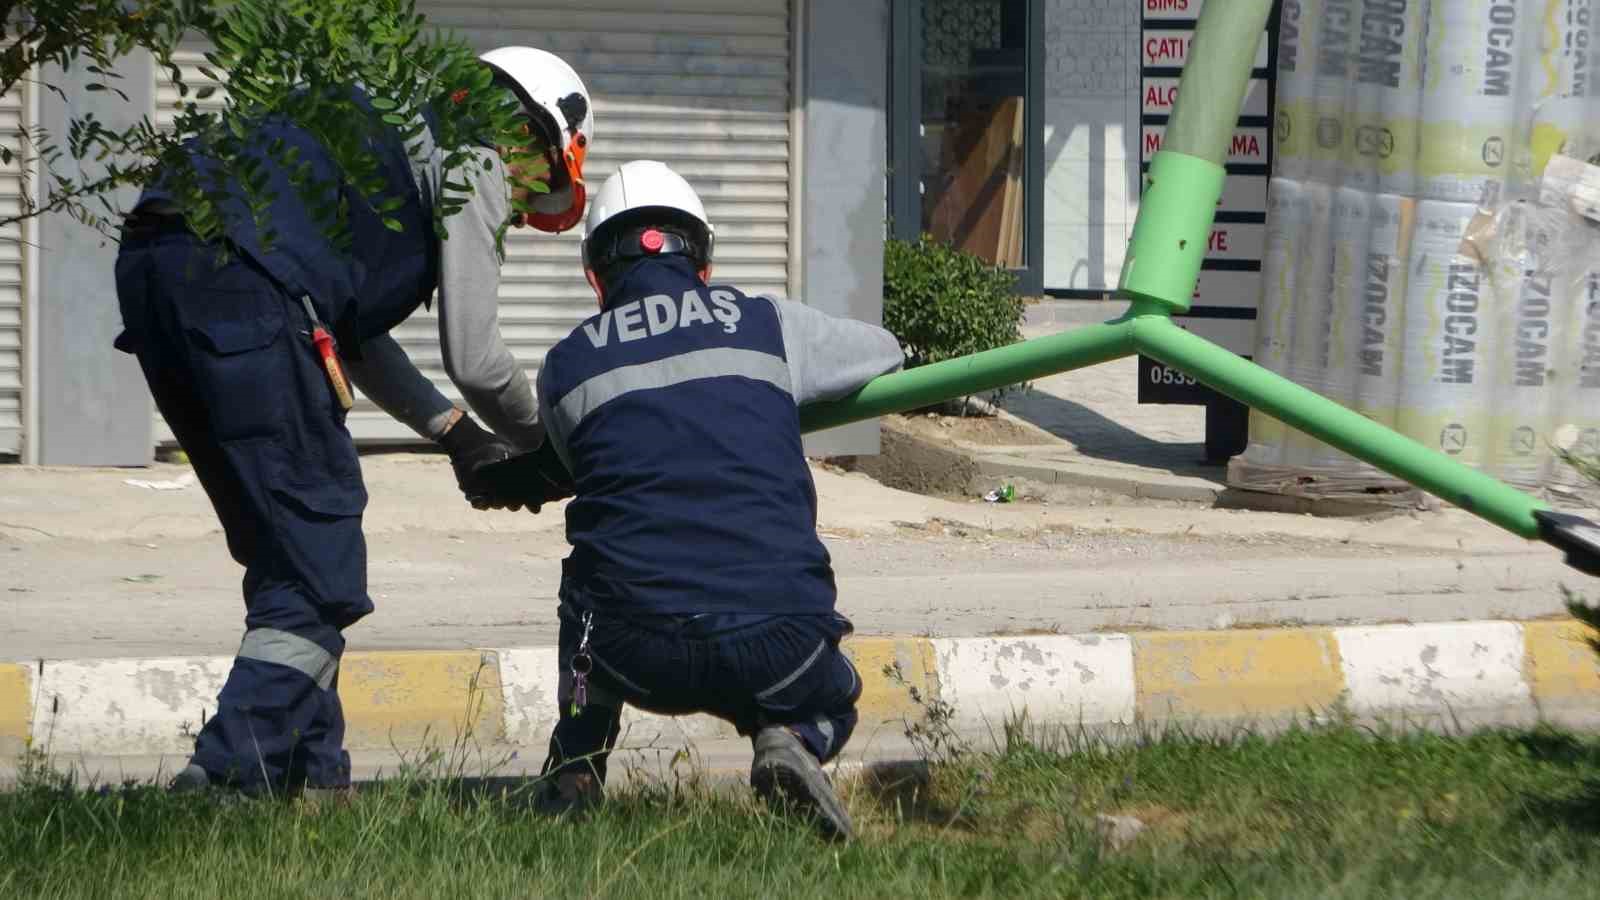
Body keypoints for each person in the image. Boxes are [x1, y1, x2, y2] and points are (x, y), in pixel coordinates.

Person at [111, 47, 593, 796]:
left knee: (285, 546)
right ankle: (226, 774)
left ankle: (309, 777)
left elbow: (347, 327)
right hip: (247, 286)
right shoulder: (480, 150)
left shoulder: (385, 124)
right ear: (529, 131)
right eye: (545, 182)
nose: (526, 210)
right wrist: (551, 449)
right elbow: (476, 355)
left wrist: (456, 436)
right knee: (318, 558)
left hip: (155, 268)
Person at [531, 160, 905, 840]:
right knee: (834, 693)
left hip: (628, 650)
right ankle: (792, 735)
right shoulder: (766, 322)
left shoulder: (564, 364)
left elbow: (573, 461)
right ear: (703, 262)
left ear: (595, 278)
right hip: (779, 647)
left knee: (581, 592)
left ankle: (577, 764)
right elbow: (884, 351)